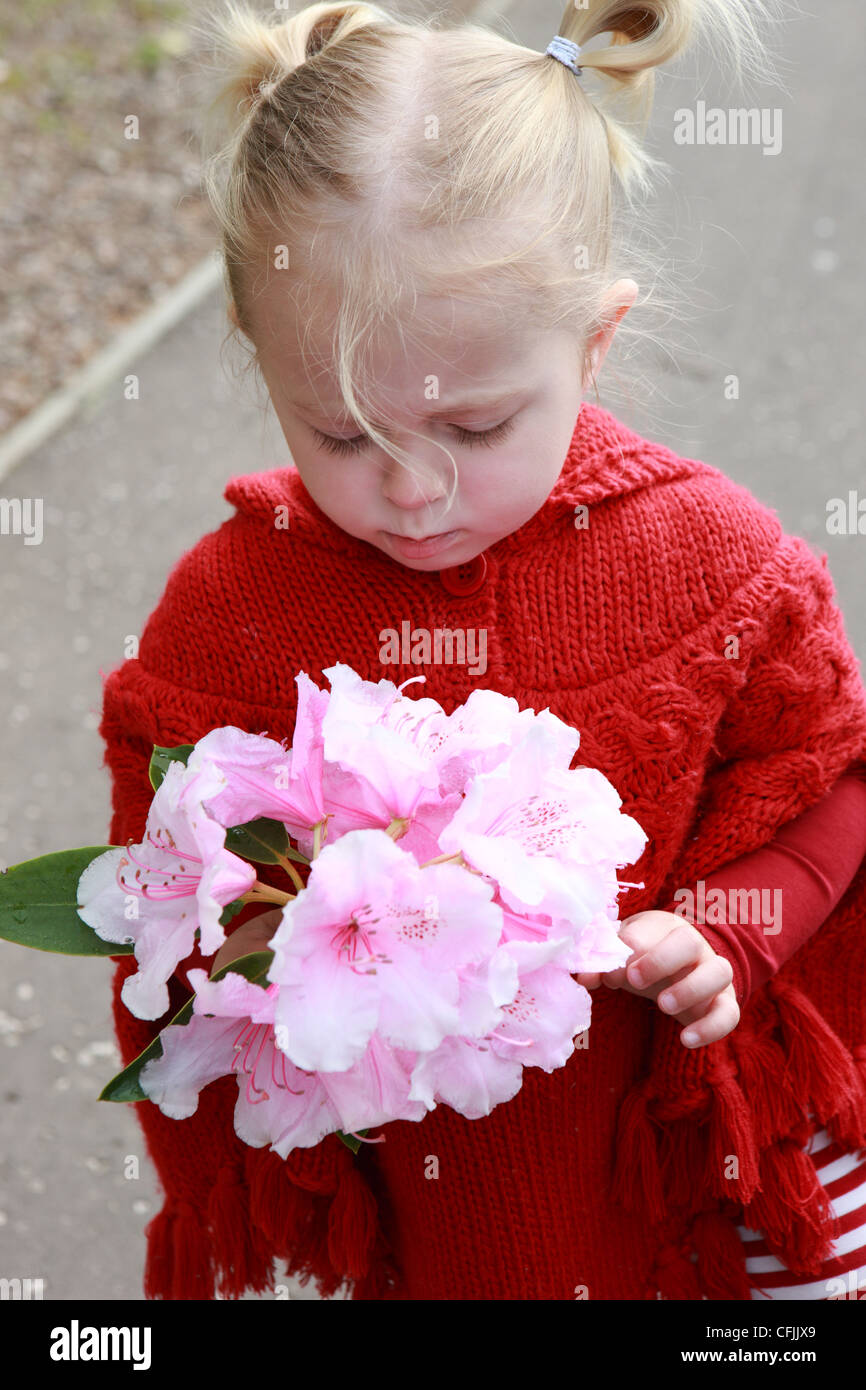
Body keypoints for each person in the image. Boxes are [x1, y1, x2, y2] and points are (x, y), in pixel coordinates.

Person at [99, 0, 866, 1300]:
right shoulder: (226, 618)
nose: (411, 489)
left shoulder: (707, 562)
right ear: (256, 353)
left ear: (594, 340)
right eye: (341, 435)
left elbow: (828, 781)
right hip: (458, 1197)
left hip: (713, 1161)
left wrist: (731, 935)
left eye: (476, 425)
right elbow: (166, 922)